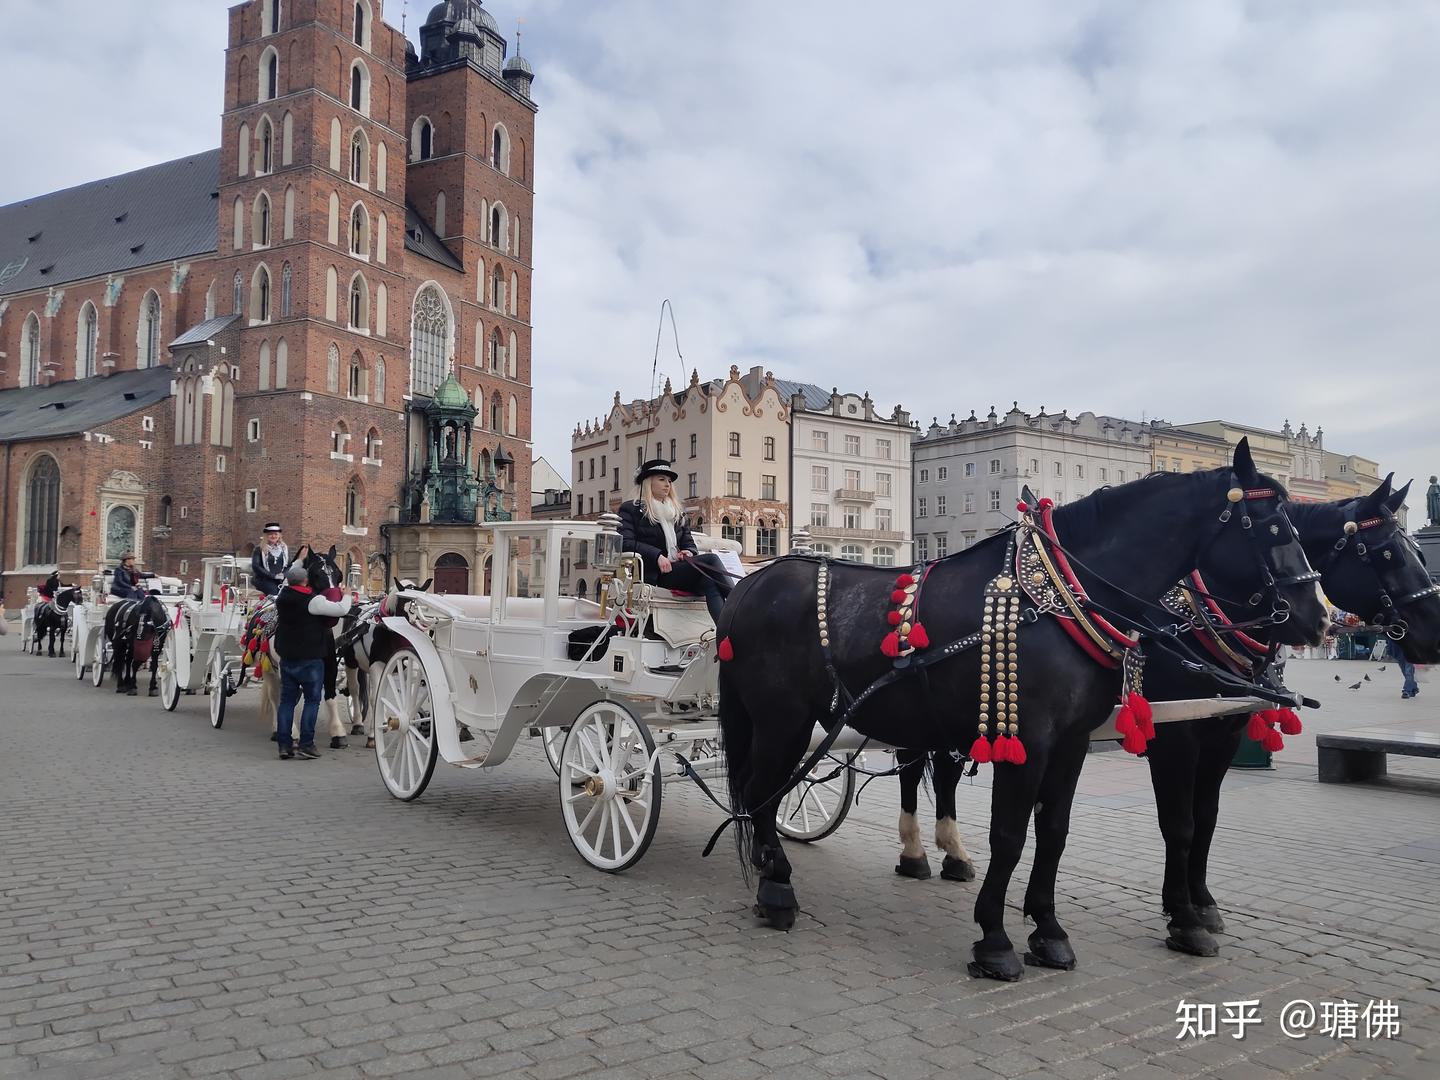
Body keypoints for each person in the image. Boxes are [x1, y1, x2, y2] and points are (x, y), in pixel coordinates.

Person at [618, 459, 733, 624]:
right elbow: (626, 543)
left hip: (675, 570)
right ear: (648, 482)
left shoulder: (676, 511)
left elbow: (689, 542)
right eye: (661, 479)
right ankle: (741, 600)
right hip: (655, 573)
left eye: (669, 481)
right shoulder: (632, 509)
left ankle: (726, 631)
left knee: (710, 582)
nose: (667, 485)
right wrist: (657, 555)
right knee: (711, 560)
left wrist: (689, 552)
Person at [274, 562, 352, 760]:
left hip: (288, 659)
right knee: (312, 701)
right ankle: (306, 744)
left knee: (287, 703)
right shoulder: (313, 601)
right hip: (310, 659)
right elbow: (342, 609)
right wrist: (349, 594)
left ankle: (284, 746)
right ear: (306, 580)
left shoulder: (282, 598)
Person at [251, 523, 289, 597]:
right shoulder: (259, 549)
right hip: (263, 579)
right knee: (274, 593)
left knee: (287, 593)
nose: (273, 536)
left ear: (279, 535)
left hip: (280, 579)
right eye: (270, 534)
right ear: (266, 536)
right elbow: (256, 566)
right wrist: (272, 576)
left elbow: (289, 565)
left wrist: (283, 574)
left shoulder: (284, 549)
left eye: (275, 534)